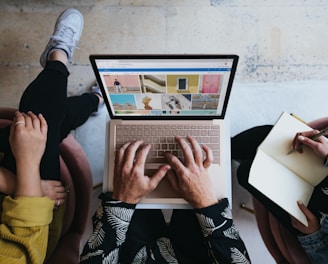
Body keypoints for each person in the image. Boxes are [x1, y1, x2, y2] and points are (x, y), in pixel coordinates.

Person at [0, 8, 103, 260]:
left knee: (43, 120)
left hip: (14, 191)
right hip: (31, 227)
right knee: (43, 121)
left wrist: (16, 181)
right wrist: (29, 173)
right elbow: (25, 242)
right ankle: (62, 62)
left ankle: (68, 69)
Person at [80, 135, 251, 264]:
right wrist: (204, 200)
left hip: (129, 254)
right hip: (200, 254)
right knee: (193, 165)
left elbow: (95, 257)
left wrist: (123, 201)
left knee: (130, 170)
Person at [231, 124, 328, 262]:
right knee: (271, 139)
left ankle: (226, 154)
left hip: (312, 219)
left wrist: (313, 234)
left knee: (246, 173)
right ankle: (223, 149)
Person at [0, 111, 53, 264]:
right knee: (42, 106)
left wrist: (16, 184)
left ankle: (95, 100)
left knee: (37, 121)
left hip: (19, 191)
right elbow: (25, 246)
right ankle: (95, 100)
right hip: (29, 228)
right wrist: (28, 163)